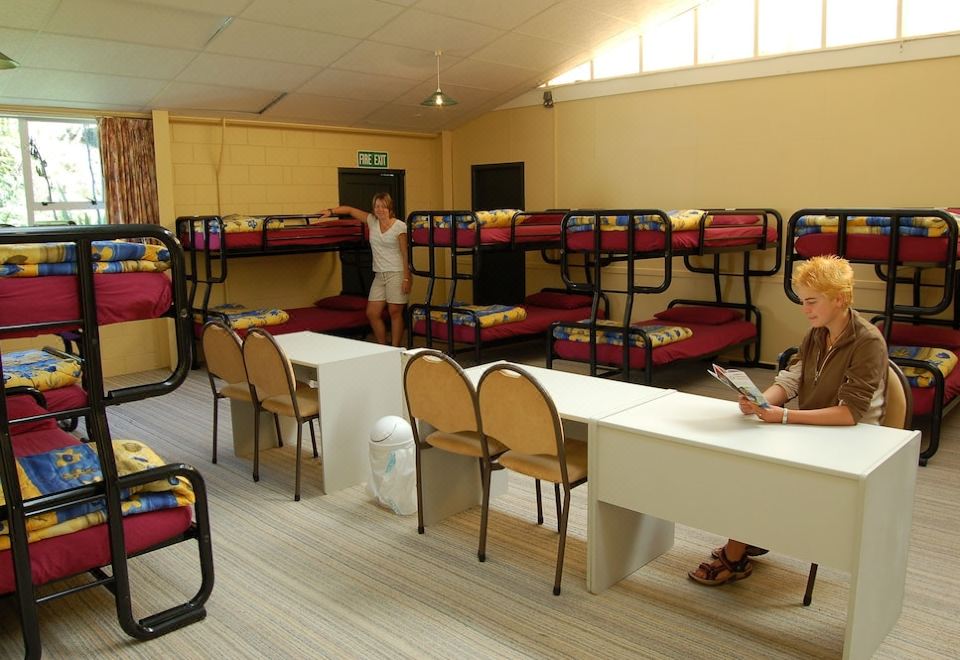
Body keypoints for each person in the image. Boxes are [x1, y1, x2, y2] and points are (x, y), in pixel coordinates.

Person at [689, 255, 888, 586]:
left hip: (855, 441)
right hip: (815, 429)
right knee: (744, 457)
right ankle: (751, 532)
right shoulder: (816, 333)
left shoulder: (867, 342)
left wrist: (783, 415)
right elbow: (794, 377)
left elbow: (850, 413)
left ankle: (735, 556)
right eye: (802, 301)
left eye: (812, 301)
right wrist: (761, 399)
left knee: (759, 471)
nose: (804, 309)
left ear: (839, 299)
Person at [319, 193, 410, 347]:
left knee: (395, 312)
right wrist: (330, 211)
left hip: (397, 273)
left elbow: (405, 253)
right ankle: (383, 346)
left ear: (389, 208)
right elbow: (349, 210)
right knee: (372, 313)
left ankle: (395, 348)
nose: (380, 209)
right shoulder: (372, 221)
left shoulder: (399, 226)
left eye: (383, 206)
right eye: (377, 206)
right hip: (379, 275)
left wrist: (407, 278)